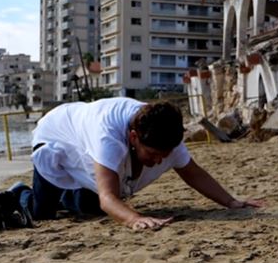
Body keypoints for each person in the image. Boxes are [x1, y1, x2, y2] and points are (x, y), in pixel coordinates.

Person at [26, 97, 263, 231]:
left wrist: (231, 201)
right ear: (133, 138)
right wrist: (134, 218)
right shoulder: (107, 137)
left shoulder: (165, 134)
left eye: (165, 155)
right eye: (153, 153)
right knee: (43, 213)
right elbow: (107, 197)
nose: (159, 161)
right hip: (55, 136)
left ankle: (69, 196)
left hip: (85, 144)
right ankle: (20, 195)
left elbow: (193, 173)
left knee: (90, 208)